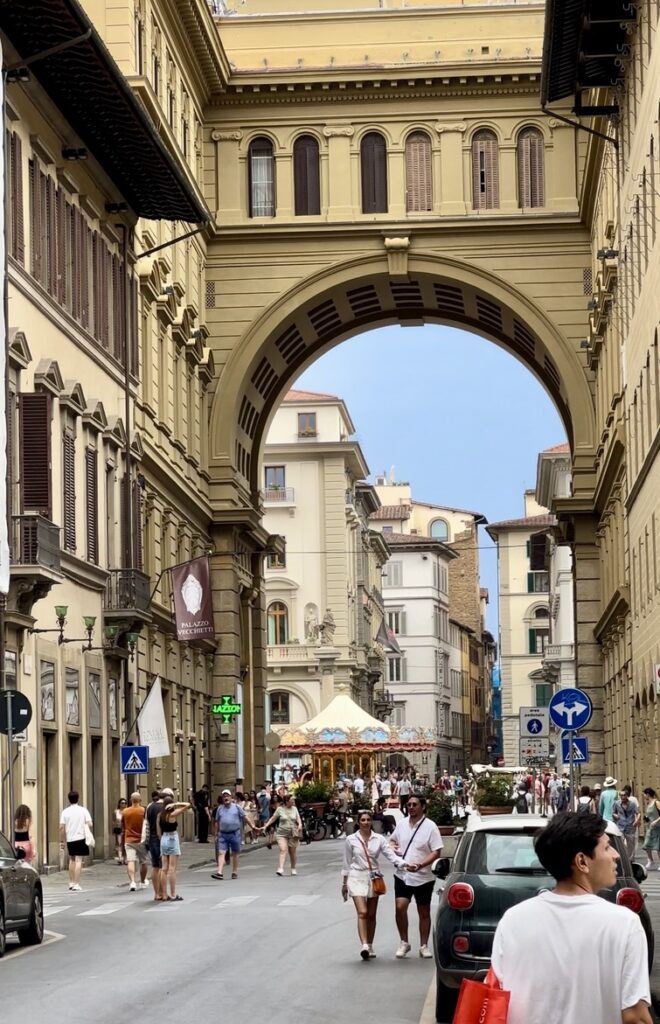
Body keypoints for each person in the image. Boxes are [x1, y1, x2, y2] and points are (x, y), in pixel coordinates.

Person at [491, 812, 652, 1024]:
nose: (616, 855)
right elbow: (635, 1017)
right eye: (606, 847)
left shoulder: (512, 920)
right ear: (582, 861)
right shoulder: (624, 924)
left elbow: (494, 993)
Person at [341, 809, 410, 960]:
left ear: (371, 822)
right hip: (356, 876)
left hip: (374, 877)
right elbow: (346, 862)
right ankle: (364, 945)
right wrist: (344, 883)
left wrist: (404, 864)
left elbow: (390, 855)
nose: (365, 822)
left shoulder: (379, 839)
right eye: (363, 820)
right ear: (358, 822)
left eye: (368, 820)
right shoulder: (351, 840)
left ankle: (370, 945)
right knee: (363, 912)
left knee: (372, 915)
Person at [390, 794, 443, 958]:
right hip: (403, 874)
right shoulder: (401, 824)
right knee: (400, 907)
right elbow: (391, 841)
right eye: (409, 805)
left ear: (423, 807)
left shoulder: (431, 827)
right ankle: (404, 942)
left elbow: (436, 851)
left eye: (414, 804)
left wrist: (421, 865)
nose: (411, 807)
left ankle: (424, 945)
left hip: (423, 876)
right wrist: (394, 849)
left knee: (424, 911)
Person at [261, 792, 303, 876]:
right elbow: (273, 818)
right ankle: (280, 868)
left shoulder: (294, 809)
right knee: (283, 849)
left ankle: (293, 868)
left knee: (292, 852)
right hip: (281, 834)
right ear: (286, 801)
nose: (293, 802)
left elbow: (298, 819)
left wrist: (300, 825)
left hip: (292, 833)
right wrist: (265, 826)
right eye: (291, 800)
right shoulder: (280, 809)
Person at [157, 795, 190, 901]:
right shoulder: (172, 814)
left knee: (164, 868)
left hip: (163, 838)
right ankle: (172, 894)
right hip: (172, 838)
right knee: (172, 869)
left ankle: (164, 894)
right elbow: (188, 805)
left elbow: (158, 830)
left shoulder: (160, 815)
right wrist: (176, 804)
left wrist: (160, 839)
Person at [59, 791, 93, 892]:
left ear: (69, 799)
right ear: (78, 799)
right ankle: (77, 883)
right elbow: (90, 823)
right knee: (78, 860)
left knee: (71, 860)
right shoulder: (83, 810)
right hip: (80, 837)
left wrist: (62, 840)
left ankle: (71, 882)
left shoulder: (65, 811)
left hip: (70, 838)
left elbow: (61, 827)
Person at [212, 789, 246, 879]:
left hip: (235, 833)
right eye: (224, 796)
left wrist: (253, 827)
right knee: (221, 852)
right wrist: (216, 834)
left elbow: (244, 817)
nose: (226, 797)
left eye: (227, 796)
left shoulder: (236, 807)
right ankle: (219, 872)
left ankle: (234, 872)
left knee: (235, 853)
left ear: (231, 797)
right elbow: (216, 822)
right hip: (223, 834)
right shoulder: (220, 808)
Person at [122, 791, 148, 892]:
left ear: (131, 800)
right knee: (143, 861)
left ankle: (132, 882)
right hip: (141, 840)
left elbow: (123, 825)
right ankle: (142, 881)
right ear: (140, 800)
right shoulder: (143, 811)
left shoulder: (125, 811)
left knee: (131, 861)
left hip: (129, 839)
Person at [145, 790, 164, 901]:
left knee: (155, 866)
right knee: (163, 866)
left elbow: (146, 824)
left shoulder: (149, 807)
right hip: (162, 836)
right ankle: (163, 892)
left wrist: (147, 841)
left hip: (152, 837)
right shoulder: (164, 808)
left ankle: (156, 893)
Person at [613, 789, 641, 859]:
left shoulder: (632, 804)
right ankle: (623, 858)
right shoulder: (617, 803)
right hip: (621, 826)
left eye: (624, 795)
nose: (622, 797)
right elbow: (613, 812)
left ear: (627, 796)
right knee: (621, 843)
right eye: (621, 795)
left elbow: (638, 813)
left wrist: (636, 821)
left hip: (630, 826)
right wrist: (616, 815)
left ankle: (630, 859)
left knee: (631, 845)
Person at [642, 787, 660, 870]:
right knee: (646, 845)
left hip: (658, 827)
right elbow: (648, 815)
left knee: (658, 847)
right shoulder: (648, 803)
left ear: (648, 794)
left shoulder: (656, 802)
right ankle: (650, 860)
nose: (644, 796)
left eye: (644, 794)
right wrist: (646, 819)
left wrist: (656, 821)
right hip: (650, 828)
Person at [112, 797, 127, 864]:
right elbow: (113, 821)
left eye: (125, 803)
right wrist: (114, 827)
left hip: (126, 829)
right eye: (122, 803)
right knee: (119, 843)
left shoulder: (127, 811)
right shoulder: (116, 811)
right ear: (119, 804)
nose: (123, 804)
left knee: (125, 844)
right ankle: (120, 857)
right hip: (118, 829)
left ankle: (125, 857)